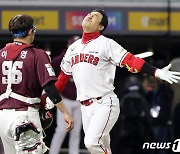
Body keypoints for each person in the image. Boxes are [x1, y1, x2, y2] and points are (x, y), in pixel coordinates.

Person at [54, 9, 180, 154]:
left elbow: (130, 60)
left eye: (95, 16)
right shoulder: (73, 48)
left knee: (91, 142)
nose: (90, 15)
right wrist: (48, 99)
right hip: (84, 106)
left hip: (104, 103)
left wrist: (156, 72)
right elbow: (63, 78)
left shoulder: (106, 44)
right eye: (89, 14)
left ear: (101, 27)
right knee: (99, 148)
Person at [0, 14, 73, 154]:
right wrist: (65, 112)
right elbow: (50, 88)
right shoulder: (37, 54)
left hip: (3, 118)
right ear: (30, 31)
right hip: (24, 116)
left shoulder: (1, 54)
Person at [49, 36, 82, 154]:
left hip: (79, 100)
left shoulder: (83, 58)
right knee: (61, 130)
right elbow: (50, 73)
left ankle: (74, 152)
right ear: (69, 46)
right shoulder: (60, 59)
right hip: (65, 99)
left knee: (76, 131)